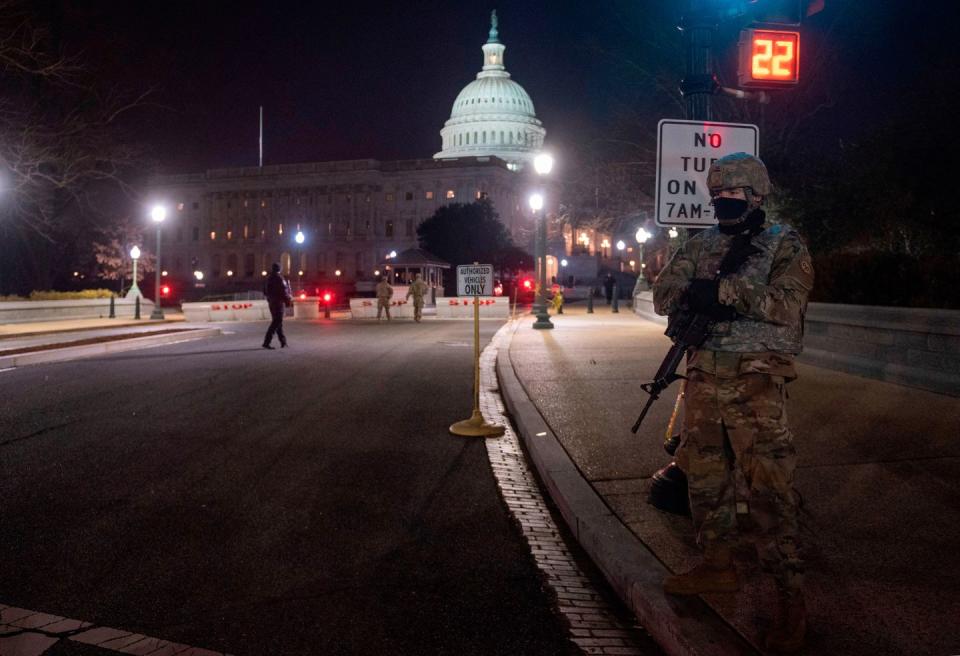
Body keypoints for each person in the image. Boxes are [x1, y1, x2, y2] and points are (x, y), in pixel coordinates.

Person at [651, 152, 814, 653]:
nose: (722, 204)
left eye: (732, 197)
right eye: (716, 196)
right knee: (704, 477)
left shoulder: (784, 243)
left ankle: (790, 602)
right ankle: (717, 564)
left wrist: (722, 292)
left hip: (756, 384)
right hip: (703, 380)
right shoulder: (701, 243)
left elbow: (787, 305)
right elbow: (663, 292)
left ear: (756, 197)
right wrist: (689, 293)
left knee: (769, 489)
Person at [262, 262, 292, 349]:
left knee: (278, 322)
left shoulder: (268, 278)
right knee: (277, 322)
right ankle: (266, 342)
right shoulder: (280, 278)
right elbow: (284, 291)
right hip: (278, 303)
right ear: (280, 269)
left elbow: (265, 291)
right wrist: (287, 300)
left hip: (271, 302)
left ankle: (283, 342)